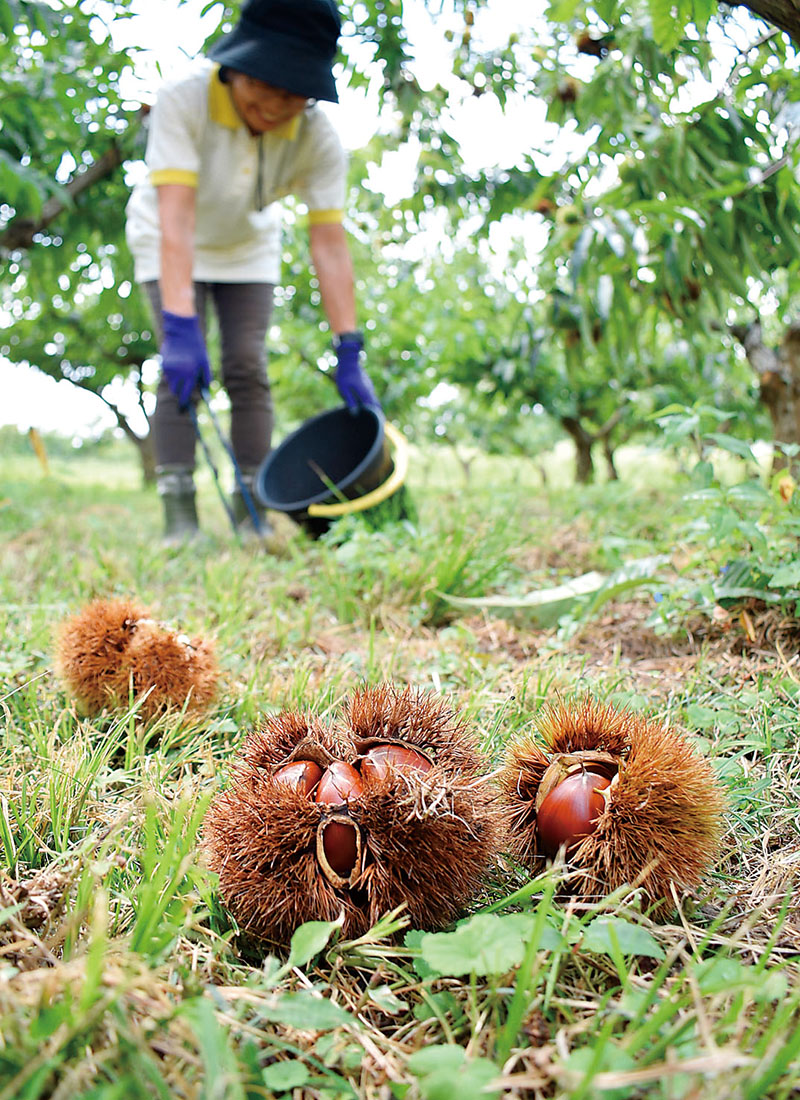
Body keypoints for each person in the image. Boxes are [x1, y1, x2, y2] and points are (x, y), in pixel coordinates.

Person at [125, 0, 380, 543]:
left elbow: (329, 245)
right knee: (181, 374)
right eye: (265, 82)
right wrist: (179, 325)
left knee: (246, 364)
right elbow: (176, 216)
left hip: (247, 248)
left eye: (295, 92)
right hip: (168, 238)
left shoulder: (318, 139)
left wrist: (349, 347)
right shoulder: (184, 97)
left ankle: (252, 510)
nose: (275, 102)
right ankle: (180, 518)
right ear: (237, 63)